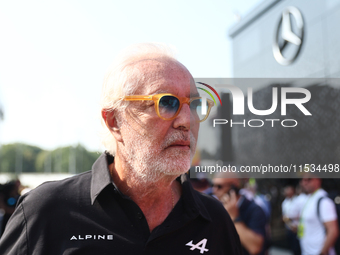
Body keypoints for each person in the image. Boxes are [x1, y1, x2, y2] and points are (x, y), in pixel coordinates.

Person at [0, 43, 241, 255]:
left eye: (195, 104)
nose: (186, 121)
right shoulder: (46, 211)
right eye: (167, 103)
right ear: (115, 121)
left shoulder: (214, 220)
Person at [212, 173, 267, 255]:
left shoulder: (254, 209)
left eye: (219, 186)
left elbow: (254, 248)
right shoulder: (216, 206)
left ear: (233, 187)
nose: (214, 190)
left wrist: (234, 217)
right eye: (213, 185)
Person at [298, 174, 339, 255]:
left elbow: (333, 231)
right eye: (303, 180)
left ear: (318, 180)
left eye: (309, 179)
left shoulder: (324, 201)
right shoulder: (309, 198)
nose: (304, 182)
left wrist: (323, 251)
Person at [281, 184, 301, 255]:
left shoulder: (298, 200)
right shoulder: (284, 202)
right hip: (289, 228)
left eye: (289, 190)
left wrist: (291, 217)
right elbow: (284, 216)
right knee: (292, 248)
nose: (287, 192)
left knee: (299, 248)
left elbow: (302, 214)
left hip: (298, 228)